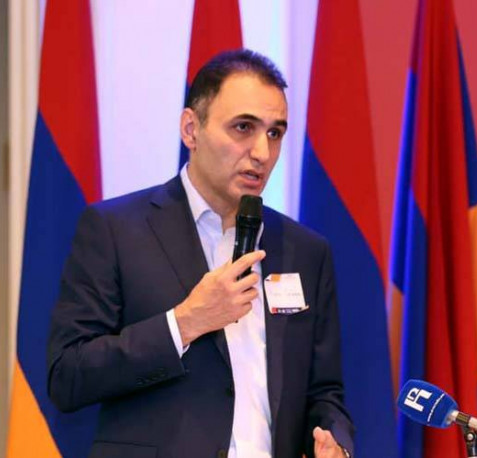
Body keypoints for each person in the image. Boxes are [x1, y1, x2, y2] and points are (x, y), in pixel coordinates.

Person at [47, 49, 354, 458]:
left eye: (274, 133)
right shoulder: (115, 230)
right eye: (243, 127)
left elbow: (325, 392)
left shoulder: (305, 251)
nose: (262, 153)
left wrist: (334, 441)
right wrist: (184, 323)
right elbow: (68, 376)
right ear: (191, 130)